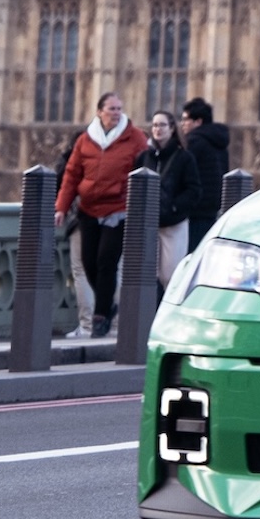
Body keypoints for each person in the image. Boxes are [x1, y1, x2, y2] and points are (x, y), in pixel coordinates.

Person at [55, 92, 149, 338]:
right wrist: (61, 207)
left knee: (107, 261)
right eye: (111, 109)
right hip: (89, 208)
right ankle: (108, 305)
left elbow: (146, 171)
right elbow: (72, 175)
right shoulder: (86, 139)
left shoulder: (135, 138)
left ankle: (100, 316)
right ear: (99, 112)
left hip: (119, 209)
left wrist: (131, 200)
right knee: (89, 263)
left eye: (119, 108)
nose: (116, 113)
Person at [138, 110, 205, 289]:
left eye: (162, 125)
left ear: (172, 128)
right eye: (154, 125)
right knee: (146, 275)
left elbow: (194, 190)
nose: (158, 129)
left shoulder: (184, 157)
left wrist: (175, 207)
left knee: (171, 275)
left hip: (173, 224)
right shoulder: (144, 157)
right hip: (149, 224)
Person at [55, 133, 96, 338]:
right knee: (111, 271)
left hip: (81, 219)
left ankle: (87, 326)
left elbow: (61, 190)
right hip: (110, 220)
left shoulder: (71, 163)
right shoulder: (104, 158)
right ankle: (114, 325)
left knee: (81, 271)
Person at [180, 98, 229, 252]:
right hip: (214, 205)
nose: (182, 124)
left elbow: (184, 172)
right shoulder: (219, 141)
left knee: (192, 252)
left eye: (186, 119)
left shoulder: (194, 141)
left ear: (198, 122)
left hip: (196, 208)